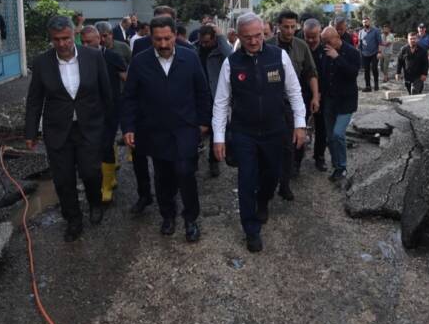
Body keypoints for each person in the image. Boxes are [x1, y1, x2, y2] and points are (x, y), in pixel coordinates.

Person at [211, 13, 306, 253]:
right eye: (247, 37)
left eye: (258, 36)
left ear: (264, 33)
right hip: (244, 132)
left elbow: (295, 92)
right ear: (238, 37)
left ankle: (263, 199)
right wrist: (219, 138)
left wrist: (300, 124)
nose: (254, 41)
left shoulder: (279, 57)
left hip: (275, 130)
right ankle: (251, 230)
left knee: (272, 175)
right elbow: (221, 103)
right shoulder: (231, 64)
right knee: (246, 179)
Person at [121, 17, 212, 242]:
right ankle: (168, 215)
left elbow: (202, 92)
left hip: (185, 130)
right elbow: (130, 98)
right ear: (151, 38)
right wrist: (129, 127)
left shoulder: (189, 58)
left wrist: (203, 123)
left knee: (185, 173)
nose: (163, 44)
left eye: (167, 38)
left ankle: (190, 219)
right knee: (163, 177)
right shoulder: (140, 62)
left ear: (175, 36)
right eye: (157, 39)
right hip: (154, 131)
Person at [24, 16, 114, 241]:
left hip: (89, 127)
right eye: (57, 39)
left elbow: (106, 93)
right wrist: (30, 131)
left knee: (90, 172)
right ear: (51, 39)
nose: (62, 44)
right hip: (57, 130)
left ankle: (95, 203)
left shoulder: (93, 57)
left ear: (74, 34)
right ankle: (73, 218)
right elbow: (35, 99)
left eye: (66, 38)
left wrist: (110, 126)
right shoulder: (42, 62)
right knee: (63, 179)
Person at [274, 10, 319, 194]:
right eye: (286, 27)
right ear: (278, 26)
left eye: (293, 27)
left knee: (297, 134)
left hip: (296, 98)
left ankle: (293, 167)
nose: (290, 31)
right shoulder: (268, 45)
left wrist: (316, 96)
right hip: (273, 100)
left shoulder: (301, 46)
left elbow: (310, 72)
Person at [82, 25, 127, 205]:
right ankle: (105, 176)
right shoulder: (78, 60)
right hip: (88, 110)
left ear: (99, 39)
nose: (85, 45)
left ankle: (106, 185)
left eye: (89, 41)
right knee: (93, 147)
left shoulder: (113, 57)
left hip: (110, 108)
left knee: (106, 143)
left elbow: (127, 80)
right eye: (83, 42)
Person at [319, 25, 361, 182]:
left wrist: (337, 57)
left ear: (337, 38)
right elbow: (323, 74)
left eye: (328, 41)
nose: (325, 45)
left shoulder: (352, 52)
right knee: (330, 137)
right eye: (324, 42)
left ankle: (342, 167)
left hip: (346, 101)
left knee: (338, 134)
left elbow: (353, 73)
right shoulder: (324, 52)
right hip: (330, 100)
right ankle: (336, 166)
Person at [195, 24, 231, 178]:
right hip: (198, 96)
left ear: (214, 39)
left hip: (216, 95)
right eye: (202, 42)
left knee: (217, 129)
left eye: (207, 42)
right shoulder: (195, 50)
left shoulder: (220, 50)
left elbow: (231, 55)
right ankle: (193, 160)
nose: (204, 45)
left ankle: (213, 162)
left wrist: (222, 36)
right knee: (197, 131)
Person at [299, 19, 330, 172]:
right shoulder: (299, 48)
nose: (310, 40)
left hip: (322, 94)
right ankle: (296, 160)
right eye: (307, 36)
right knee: (299, 125)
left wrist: (319, 94)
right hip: (301, 94)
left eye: (314, 37)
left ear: (320, 33)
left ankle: (319, 157)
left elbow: (329, 75)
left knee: (322, 127)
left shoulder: (326, 50)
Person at [357, 16, 382, 92]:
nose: (365, 23)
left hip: (374, 53)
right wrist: (359, 53)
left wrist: (379, 52)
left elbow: (379, 43)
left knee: (374, 68)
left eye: (366, 21)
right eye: (364, 22)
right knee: (366, 70)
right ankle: (368, 86)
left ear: (369, 22)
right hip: (364, 54)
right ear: (362, 23)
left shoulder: (376, 31)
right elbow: (359, 43)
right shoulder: (361, 32)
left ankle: (376, 85)